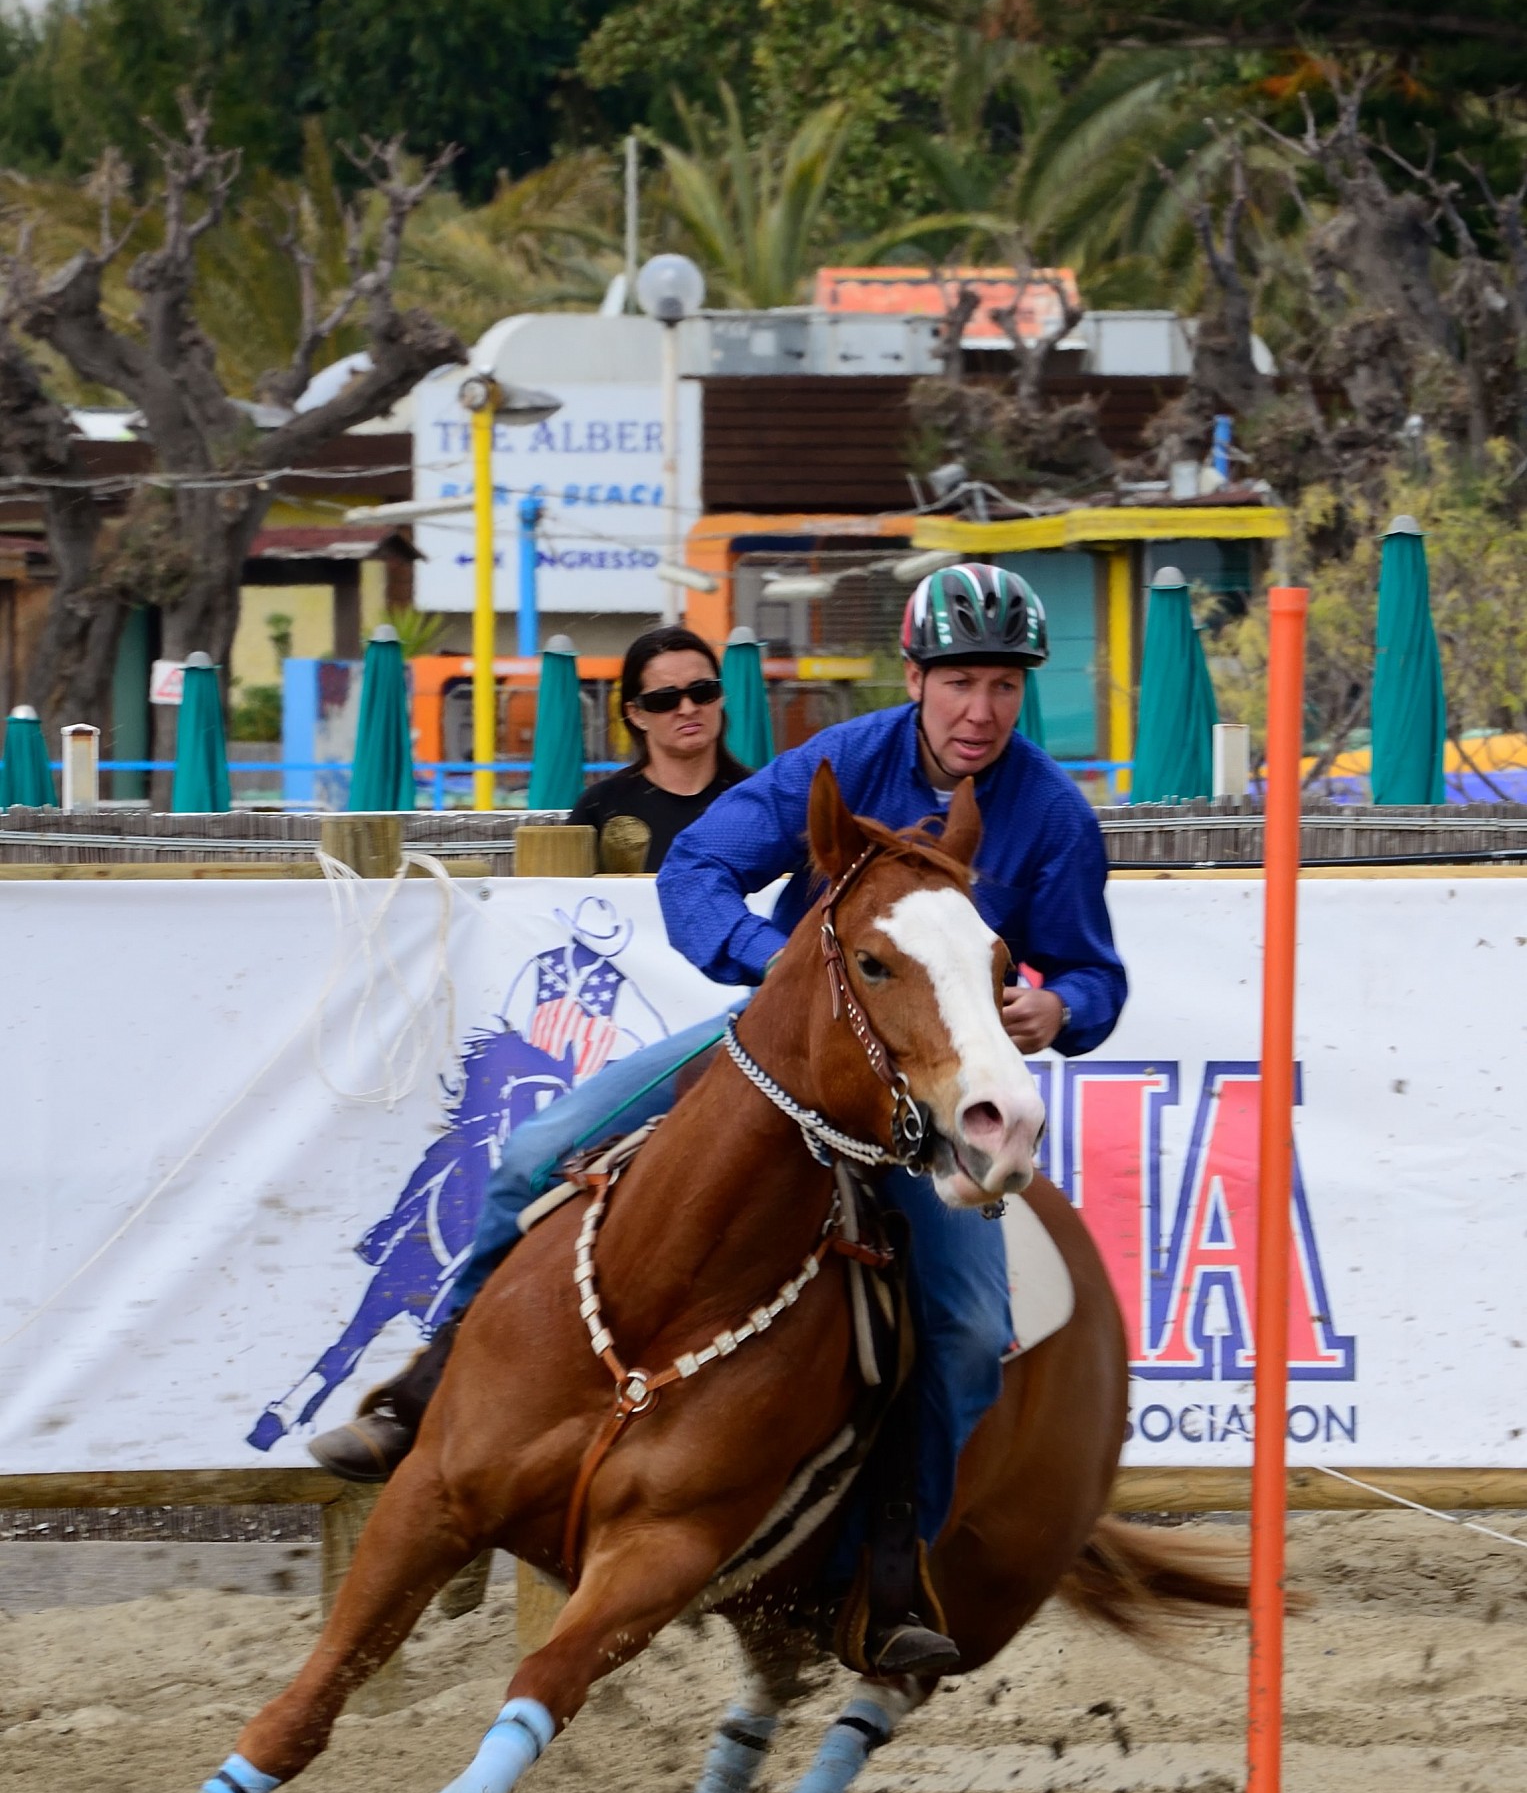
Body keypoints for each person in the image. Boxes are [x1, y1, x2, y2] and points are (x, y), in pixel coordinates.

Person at [310, 564, 1128, 1672]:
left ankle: (893, 1571)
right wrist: (779, 969)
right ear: (916, 679)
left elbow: (1095, 973)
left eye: (1002, 686)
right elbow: (700, 864)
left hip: (927, 1101)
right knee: (536, 1153)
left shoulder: (1056, 817)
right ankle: (422, 1392)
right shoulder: (835, 764)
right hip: (782, 1053)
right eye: (960, 683)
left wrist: (1059, 1003)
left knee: (973, 1329)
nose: (981, 710)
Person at [568, 624, 750, 872]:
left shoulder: (761, 799)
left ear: (720, 696)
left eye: (703, 691)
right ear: (636, 714)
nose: (687, 709)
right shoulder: (600, 806)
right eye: (665, 699)